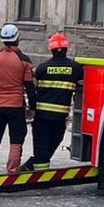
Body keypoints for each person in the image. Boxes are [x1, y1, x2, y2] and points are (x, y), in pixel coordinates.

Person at [0, 24, 35, 176]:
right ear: (17, 38)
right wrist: (32, 107)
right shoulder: (24, 60)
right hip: (16, 106)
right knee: (16, 140)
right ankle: (12, 170)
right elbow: (29, 86)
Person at [27, 33, 83, 170]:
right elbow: (81, 88)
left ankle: (38, 173)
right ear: (66, 48)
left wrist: (31, 108)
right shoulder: (76, 69)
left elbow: (33, 90)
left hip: (42, 116)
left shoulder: (42, 68)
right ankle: (35, 168)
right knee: (54, 141)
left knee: (41, 145)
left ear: (51, 49)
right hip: (60, 117)